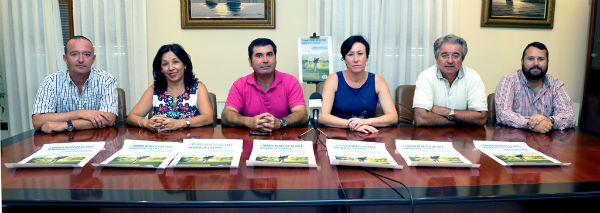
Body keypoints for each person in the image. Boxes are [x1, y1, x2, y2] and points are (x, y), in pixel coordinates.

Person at [32, 35, 117, 133]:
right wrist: (80, 113)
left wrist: (66, 124)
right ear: (65, 59)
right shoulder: (51, 81)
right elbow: (37, 121)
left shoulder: (106, 80)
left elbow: (109, 119)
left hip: (98, 141)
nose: (81, 59)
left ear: (93, 59)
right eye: (74, 54)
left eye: (86, 54)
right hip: (61, 142)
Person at [221, 38, 307, 132]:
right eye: (259, 56)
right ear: (250, 61)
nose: (265, 60)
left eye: (269, 54)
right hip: (249, 141)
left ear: (275, 58)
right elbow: (226, 115)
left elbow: (302, 114)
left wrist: (280, 122)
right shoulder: (240, 84)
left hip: (283, 141)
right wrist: (249, 121)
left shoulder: (290, 81)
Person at [319, 35, 398, 133]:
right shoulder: (333, 79)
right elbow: (322, 116)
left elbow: (393, 117)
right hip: (338, 133)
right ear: (344, 59)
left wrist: (365, 122)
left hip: (368, 132)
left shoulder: (378, 80)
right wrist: (351, 124)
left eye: (360, 54)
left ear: (367, 58)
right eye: (350, 54)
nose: (356, 59)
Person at [127, 44, 214, 132]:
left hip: (190, 141)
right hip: (162, 142)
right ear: (161, 69)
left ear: (184, 64)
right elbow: (131, 117)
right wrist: (146, 123)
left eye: (175, 62)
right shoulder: (154, 89)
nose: (171, 68)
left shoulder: (198, 88)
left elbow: (208, 118)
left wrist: (180, 123)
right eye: (165, 64)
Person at [495, 42, 575, 133]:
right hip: (514, 140)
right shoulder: (509, 81)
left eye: (541, 59)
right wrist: (529, 123)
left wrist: (549, 120)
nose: (536, 63)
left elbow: (569, 116)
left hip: (546, 143)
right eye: (530, 58)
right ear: (522, 61)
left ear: (547, 62)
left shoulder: (556, 84)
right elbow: (503, 114)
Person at [413, 34, 488, 126]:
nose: (450, 61)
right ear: (436, 58)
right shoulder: (426, 76)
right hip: (431, 136)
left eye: (456, 56)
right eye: (444, 55)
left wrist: (447, 112)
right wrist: (460, 120)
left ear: (462, 59)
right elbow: (421, 118)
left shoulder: (473, 77)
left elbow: (481, 118)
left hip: (464, 137)